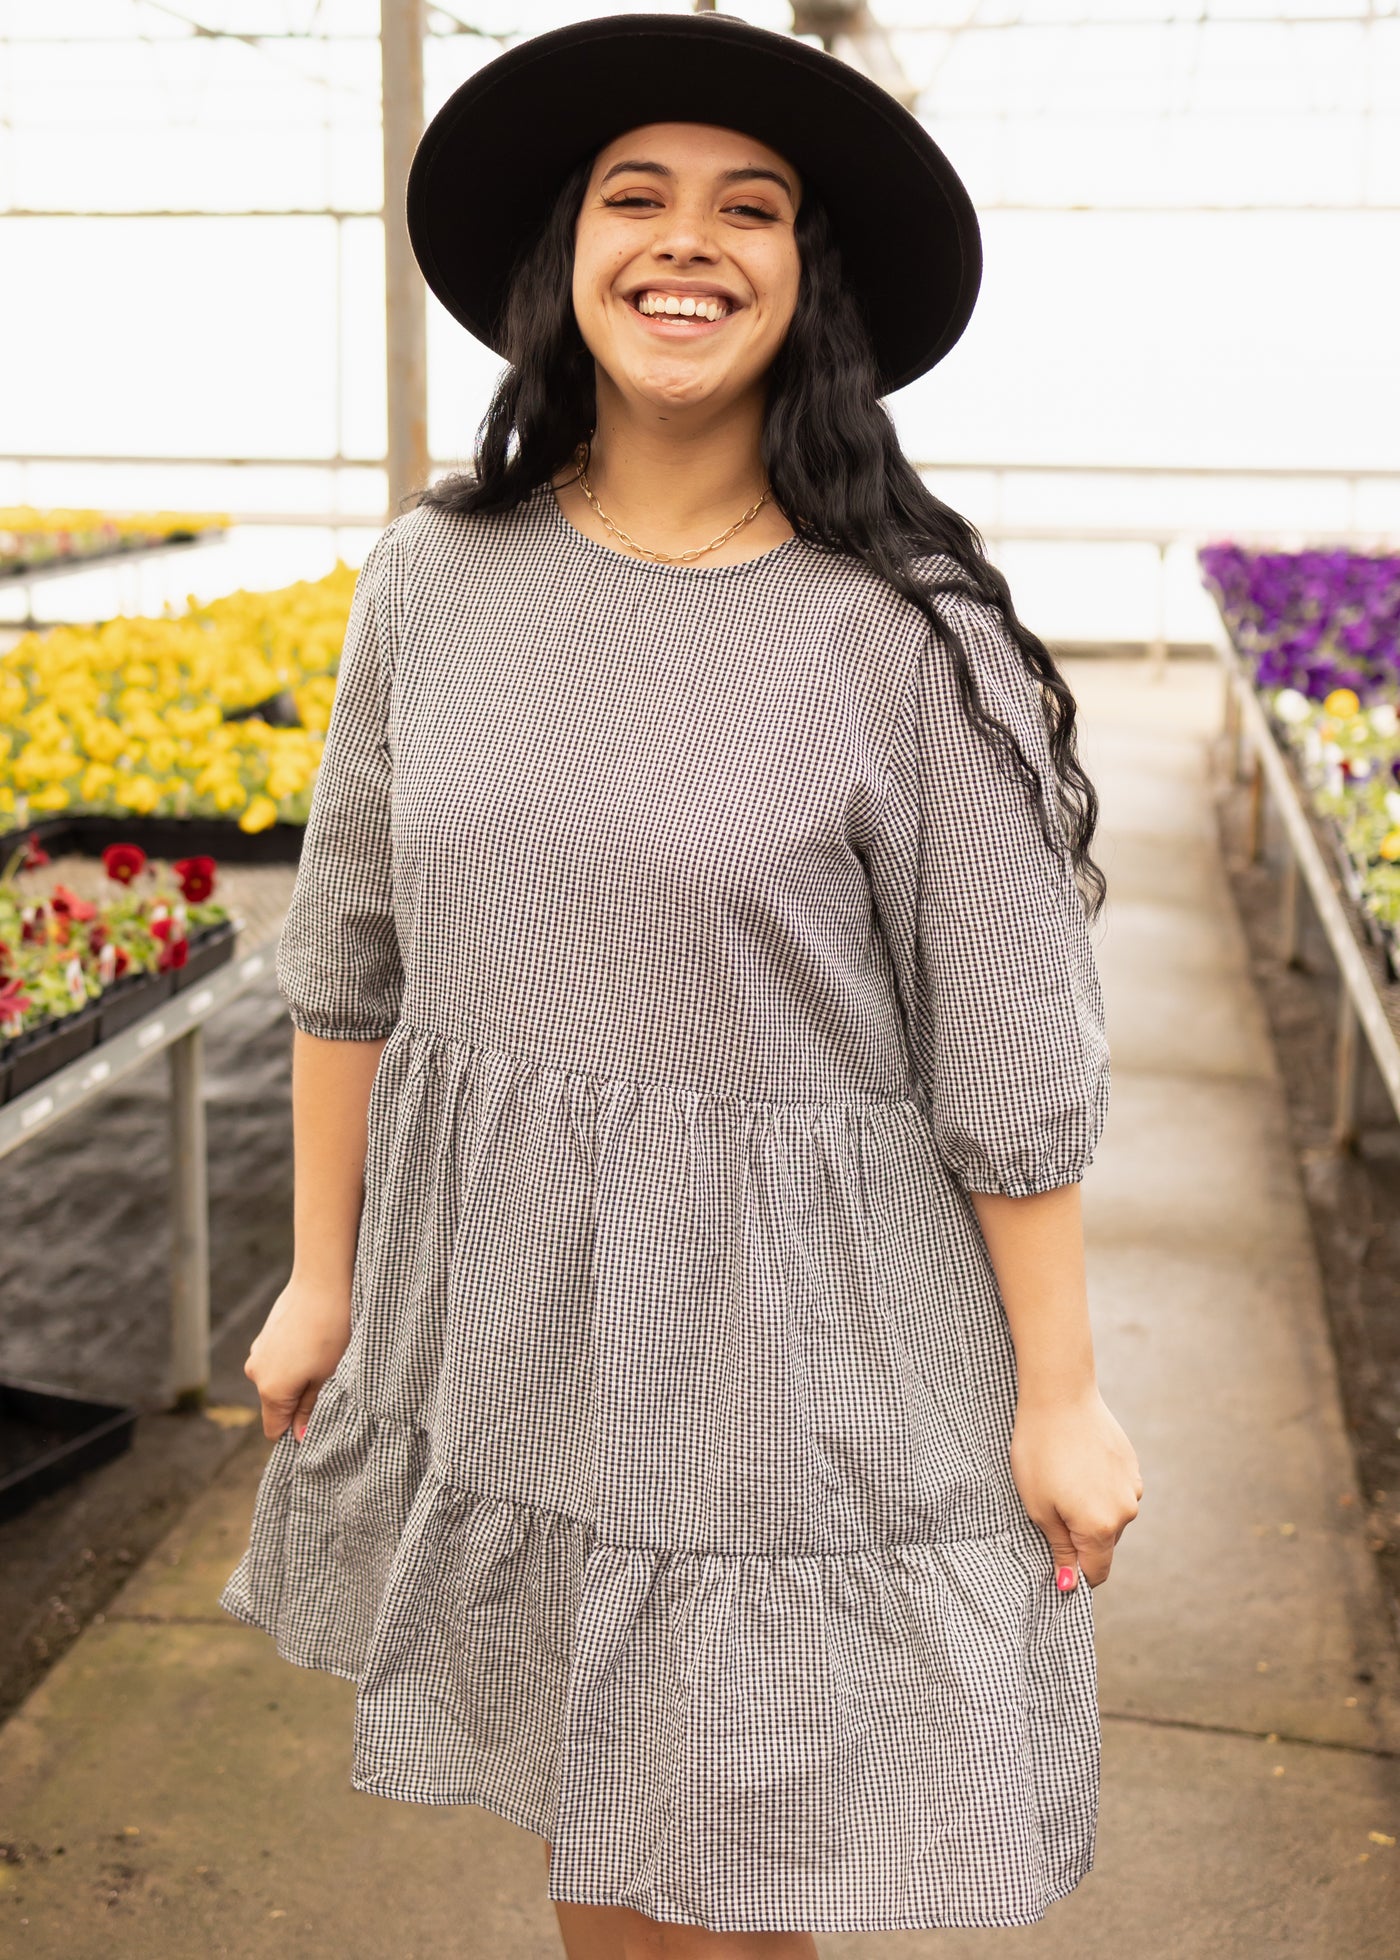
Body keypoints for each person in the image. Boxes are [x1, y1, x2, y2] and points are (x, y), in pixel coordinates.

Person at [221, 12, 1143, 1955]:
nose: (685, 240)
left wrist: (1058, 1394)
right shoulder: (434, 579)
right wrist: (322, 1275)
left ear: (809, 281)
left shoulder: (900, 628)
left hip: (790, 1355)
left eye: (751, 207)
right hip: (523, 1327)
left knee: (736, 1887)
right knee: (607, 1834)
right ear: (565, 253)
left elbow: (1004, 1041)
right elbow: (351, 958)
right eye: (636, 196)